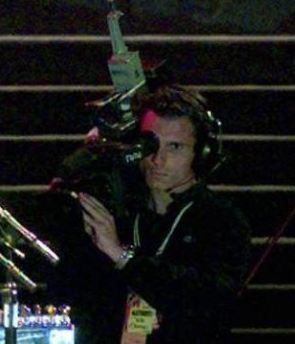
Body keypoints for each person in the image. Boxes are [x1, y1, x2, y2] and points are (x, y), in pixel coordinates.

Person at [52, 85, 250, 343]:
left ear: (201, 154)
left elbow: (205, 299)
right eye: (150, 144)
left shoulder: (222, 221)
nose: (158, 159)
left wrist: (121, 256)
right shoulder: (119, 214)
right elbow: (70, 297)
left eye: (175, 147)